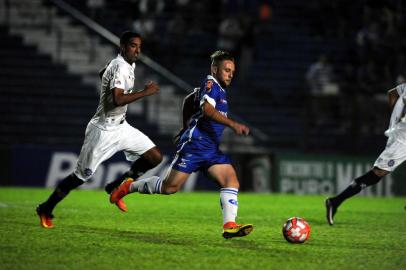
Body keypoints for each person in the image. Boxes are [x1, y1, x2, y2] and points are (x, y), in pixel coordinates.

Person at [110, 50, 254, 239]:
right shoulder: (210, 84)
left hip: (210, 149)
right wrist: (233, 124)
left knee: (231, 180)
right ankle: (128, 187)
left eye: (232, 72)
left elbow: (188, 100)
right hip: (194, 146)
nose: (230, 74)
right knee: (169, 188)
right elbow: (207, 109)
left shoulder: (218, 89)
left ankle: (229, 225)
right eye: (226, 70)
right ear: (215, 68)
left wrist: (184, 126)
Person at [36, 31, 163, 228]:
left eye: (139, 46)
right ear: (122, 46)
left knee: (154, 157)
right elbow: (118, 99)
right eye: (133, 45)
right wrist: (145, 92)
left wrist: (107, 79)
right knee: (80, 177)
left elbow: (102, 74)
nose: (137, 50)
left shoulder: (126, 64)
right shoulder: (120, 66)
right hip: (102, 131)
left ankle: (115, 186)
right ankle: (46, 208)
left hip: (121, 127)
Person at [325, 83, 406, 225]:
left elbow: (392, 93)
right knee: (377, 174)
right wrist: (395, 122)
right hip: (402, 139)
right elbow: (392, 94)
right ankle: (334, 201)